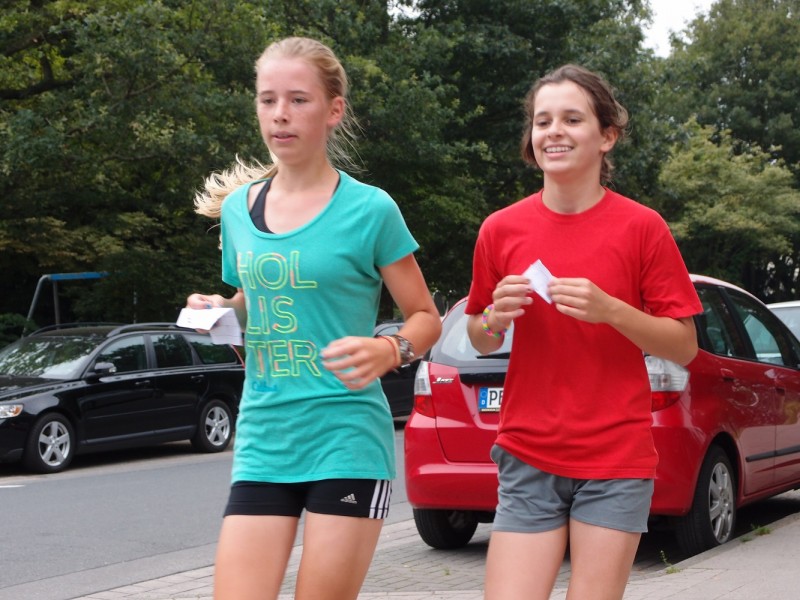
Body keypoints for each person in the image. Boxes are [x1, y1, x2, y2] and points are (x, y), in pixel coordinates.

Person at [186, 36, 441, 600]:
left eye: (298, 99)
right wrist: (219, 310)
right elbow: (253, 301)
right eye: (268, 99)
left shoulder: (370, 209)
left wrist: (390, 349)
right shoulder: (239, 210)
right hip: (265, 435)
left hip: (346, 436)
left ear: (333, 110)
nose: (280, 114)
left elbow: (425, 316)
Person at [465, 64, 702, 600]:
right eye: (542, 120)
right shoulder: (500, 229)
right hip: (527, 451)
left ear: (606, 136)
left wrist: (612, 310)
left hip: (616, 457)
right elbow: (479, 335)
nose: (554, 131)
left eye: (572, 119)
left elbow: (684, 345)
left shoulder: (643, 227)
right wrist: (494, 318)